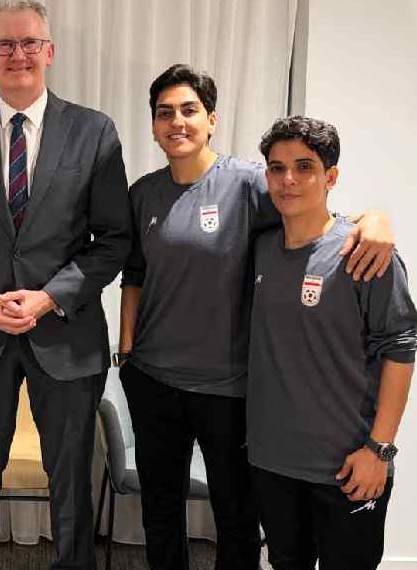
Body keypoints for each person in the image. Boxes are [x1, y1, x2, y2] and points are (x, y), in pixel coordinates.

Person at [117, 64, 396, 570]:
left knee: (237, 518)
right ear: (153, 125)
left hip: (229, 388)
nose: (176, 122)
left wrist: (374, 218)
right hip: (154, 379)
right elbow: (133, 273)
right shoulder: (143, 192)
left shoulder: (250, 182)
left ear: (211, 119)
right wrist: (128, 349)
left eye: (188, 110)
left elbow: (314, 215)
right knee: (159, 510)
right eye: (164, 113)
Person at [0, 0, 133, 569]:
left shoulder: (94, 132)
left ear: (50, 51)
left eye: (29, 43)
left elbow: (113, 240)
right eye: (5, 45)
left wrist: (49, 297)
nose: (18, 54)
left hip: (66, 337)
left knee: (70, 479)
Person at [248, 116, 416, 570]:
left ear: (331, 176)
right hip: (273, 462)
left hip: (348, 465)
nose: (288, 180)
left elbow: (401, 349)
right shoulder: (259, 248)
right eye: (276, 167)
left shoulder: (365, 253)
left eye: (304, 166)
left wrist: (380, 450)